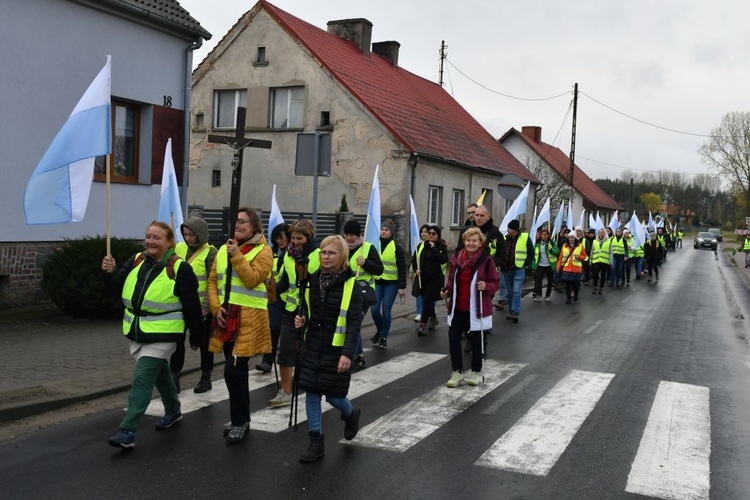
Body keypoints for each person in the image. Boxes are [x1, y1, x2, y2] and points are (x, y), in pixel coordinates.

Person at [102, 221, 204, 449]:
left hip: (164, 334)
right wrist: (109, 274)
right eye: (148, 236)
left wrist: (197, 337)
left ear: (169, 242)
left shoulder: (180, 269)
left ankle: (127, 431)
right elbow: (116, 290)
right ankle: (174, 410)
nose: (150, 241)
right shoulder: (137, 260)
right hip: (138, 330)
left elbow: (192, 306)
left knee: (143, 378)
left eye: (157, 238)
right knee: (160, 374)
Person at [295, 235, 363, 463]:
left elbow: (354, 322)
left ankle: (351, 413)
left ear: (342, 256)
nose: (326, 256)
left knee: (334, 396)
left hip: (336, 347)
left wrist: (347, 354)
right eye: (323, 252)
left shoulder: (351, 284)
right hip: (314, 343)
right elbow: (307, 308)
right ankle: (316, 442)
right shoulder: (313, 280)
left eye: (331, 253)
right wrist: (301, 319)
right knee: (312, 393)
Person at [208, 208, 273, 443]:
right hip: (228, 319)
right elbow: (213, 280)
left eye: (243, 222)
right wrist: (217, 308)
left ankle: (238, 422)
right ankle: (242, 419)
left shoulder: (264, 251)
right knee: (236, 374)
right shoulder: (225, 249)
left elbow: (252, 279)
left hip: (248, 321)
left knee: (232, 372)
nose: (238, 225)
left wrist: (236, 255)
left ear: (254, 226)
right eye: (236, 222)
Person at [441, 227, 499, 387]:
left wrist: (485, 286)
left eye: (474, 240)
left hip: (476, 308)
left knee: (476, 341)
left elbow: (495, 283)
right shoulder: (456, 259)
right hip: (457, 307)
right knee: (453, 339)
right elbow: (451, 279)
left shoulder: (487, 260)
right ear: (464, 241)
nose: (471, 243)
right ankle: (457, 372)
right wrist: (446, 291)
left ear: (481, 243)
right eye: (468, 240)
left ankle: (476, 372)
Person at [271, 219, 320, 405]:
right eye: (292, 238)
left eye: (299, 238)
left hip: (312, 312)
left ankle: (312, 387)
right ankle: (285, 391)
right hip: (291, 311)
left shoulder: (317, 255)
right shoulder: (288, 256)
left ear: (309, 237)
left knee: (309, 352)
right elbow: (284, 281)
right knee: (285, 351)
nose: (295, 242)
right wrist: (269, 293)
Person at [170, 216, 217, 393]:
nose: (187, 238)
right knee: (177, 341)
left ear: (201, 234)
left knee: (204, 343)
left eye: (191, 235)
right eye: (185, 234)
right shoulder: (179, 248)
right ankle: (174, 374)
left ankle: (206, 375)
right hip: (179, 305)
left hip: (200, 308)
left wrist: (206, 307)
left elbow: (213, 282)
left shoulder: (211, 253)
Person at [343, 220, 383, 358]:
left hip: (363, 293)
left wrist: (365, 263)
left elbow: (379, 269)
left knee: (353, 324)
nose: (348, 238)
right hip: (346, 292)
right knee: (352, 324)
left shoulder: (367, 248)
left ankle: (352, 358)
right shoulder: (342, 247)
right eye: (346, 234)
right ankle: (359, 356)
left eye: (352, 235)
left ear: (358, 234)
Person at [457, 205, 507, 309]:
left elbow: (503, 258)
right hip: (466, 274)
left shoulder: (496, 234)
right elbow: (458, 252)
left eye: (481, 215)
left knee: (481, 307)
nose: (478, 218)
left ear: (488, 217)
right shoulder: (466, 231)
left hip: (485, 277)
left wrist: (486, 261)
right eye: (476, 215)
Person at [256, 223, 290, 373]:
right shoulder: (271, 254)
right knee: (273, 329)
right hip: (276, 299)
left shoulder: (294, 255)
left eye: (281, 238)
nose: (279, 241)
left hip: (291, 300)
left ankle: (289, 361)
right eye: (276, 238)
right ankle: (267, 361)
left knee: (289, 335)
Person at [371, 219, 407, 353]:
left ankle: (384, 338)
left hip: (391, 283)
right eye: (382, 229)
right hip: (378, 282)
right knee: (374, 310)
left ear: (391, 232)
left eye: (386, 230)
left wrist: (402, 287)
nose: (383, 231)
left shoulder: (396, 247)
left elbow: (402, 267)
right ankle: (380, 330)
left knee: (386, 310)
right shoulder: (375, 245)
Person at [412, 225, 449, 335]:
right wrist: (416, 270)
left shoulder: (441, 246)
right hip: (423, 278)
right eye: (430, 233)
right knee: (427, 299)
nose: (431, 235)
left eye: (433, 234)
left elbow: (443, 260)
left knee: (427, 300)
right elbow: (415, 260)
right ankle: (433, 318)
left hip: (435, 279)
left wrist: (434, 248)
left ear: (438, 235)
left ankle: (423, 325)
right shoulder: (422, 245)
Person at [503, 219, 533, 323]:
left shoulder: (525, 238)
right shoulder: (505, 238)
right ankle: (512, 311)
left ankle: (515, 312)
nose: (508, 230)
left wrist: (526, 264)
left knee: (516, 291)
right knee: (510, 292)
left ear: (515, 229)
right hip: (507, 269)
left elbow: (531, 252)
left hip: (519, 269)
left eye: (509, 228)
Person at [557, 231, 587, 304]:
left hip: (576, 269)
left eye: (572, 237)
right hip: (566, 268)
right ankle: (568, 298)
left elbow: (584, 256)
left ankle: (575, 294)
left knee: (576, 285)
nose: (571, 239)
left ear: (575, 238)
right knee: (567, 285)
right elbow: (561, 257)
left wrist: (579, 257)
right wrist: (558, 267)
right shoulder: (564, 245)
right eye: (570, 237)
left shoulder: (580, 246)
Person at [532, 227, 559, 302]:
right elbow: (535, 256)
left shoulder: (552, 243)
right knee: (538, 280)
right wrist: (533, 266)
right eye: (542, 234)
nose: (544, 236)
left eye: (545, 234)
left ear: (548, 235)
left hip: (549, 265)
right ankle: (539, 295)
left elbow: (557, 252)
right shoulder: (537, 244)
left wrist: (551, 249)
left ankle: (547, 295)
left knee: (550, 280)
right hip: (540, 265)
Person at [413, 224, 431, 322]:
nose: (423, 234)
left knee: (428, 296)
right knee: (419, 294)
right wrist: (416, 270)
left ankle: (431, 312)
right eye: (422, 232)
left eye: (425, 232)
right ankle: (419, 312)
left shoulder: (431, 245)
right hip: (420, 275)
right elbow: (414, 259)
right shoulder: (419, 245)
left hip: (429, 276)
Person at [590, 228, 611, 294]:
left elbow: (611, 252)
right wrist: (591, 259)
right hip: (596, 260)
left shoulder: (608, 241)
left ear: (604, 233)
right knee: (595, 274)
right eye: (599, 232)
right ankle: (595, 286)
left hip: (604, 260)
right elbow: (592, 251)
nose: (601, 234)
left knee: (603, 275)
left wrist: (611, 260)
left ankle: (601, 287)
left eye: (602, 232)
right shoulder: (595, 241)